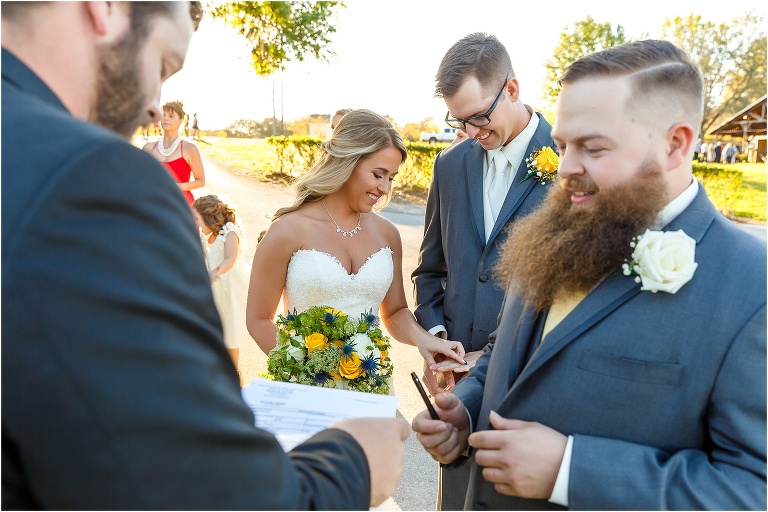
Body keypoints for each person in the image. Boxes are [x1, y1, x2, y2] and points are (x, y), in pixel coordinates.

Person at [1, 3, 410, 509]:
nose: (155, 106)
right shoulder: (93, 176)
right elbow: (196, 483)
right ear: (103, 8)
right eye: (163, 66)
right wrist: (353, 463)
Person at [413, 39, 766, 510]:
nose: (565, 169)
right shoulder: (556, 228)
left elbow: (751, 489)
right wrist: (467, 413)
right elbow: (511, 347)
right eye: (561, 145)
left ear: (675, 145)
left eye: (593, 148)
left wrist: (570, 470)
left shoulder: (750, 286)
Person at [411, 32, 553, 509]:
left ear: (511, 89)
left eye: (478, 116)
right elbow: (430, 270)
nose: (470, 131)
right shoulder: (449, 167)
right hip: (455, 395)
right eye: (458, 119)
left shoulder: (572, 161)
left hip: (533, 396)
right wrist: (436, 340)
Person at [246, 109, 467, 373]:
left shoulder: (387, 234)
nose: (385, 188)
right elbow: (258, 320)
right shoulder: (287, 230)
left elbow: (395, 312)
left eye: (391, 177)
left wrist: (426, 341)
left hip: (370, 383)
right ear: (347, 163)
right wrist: (310, 373)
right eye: (378, 174)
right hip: (305, 385)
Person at [192, 195, 252, 375]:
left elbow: (230, 259)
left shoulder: (230, 232)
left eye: (197, 218)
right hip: (215, 285)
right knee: (216, 331)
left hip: (231, 286)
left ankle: (233, 375)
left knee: (231, 332)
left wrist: (215, 272)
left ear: (208, 216)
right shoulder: (206, 234)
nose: (195, 222)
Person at [142, 100, 205, 206]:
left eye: (171, 116)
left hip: (180, 206)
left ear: (181, 120)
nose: (165, 118)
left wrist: (174, 186)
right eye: (163, 115)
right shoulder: (148, 147)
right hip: (152, 204)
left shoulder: (189, 148)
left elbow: (201, 181)